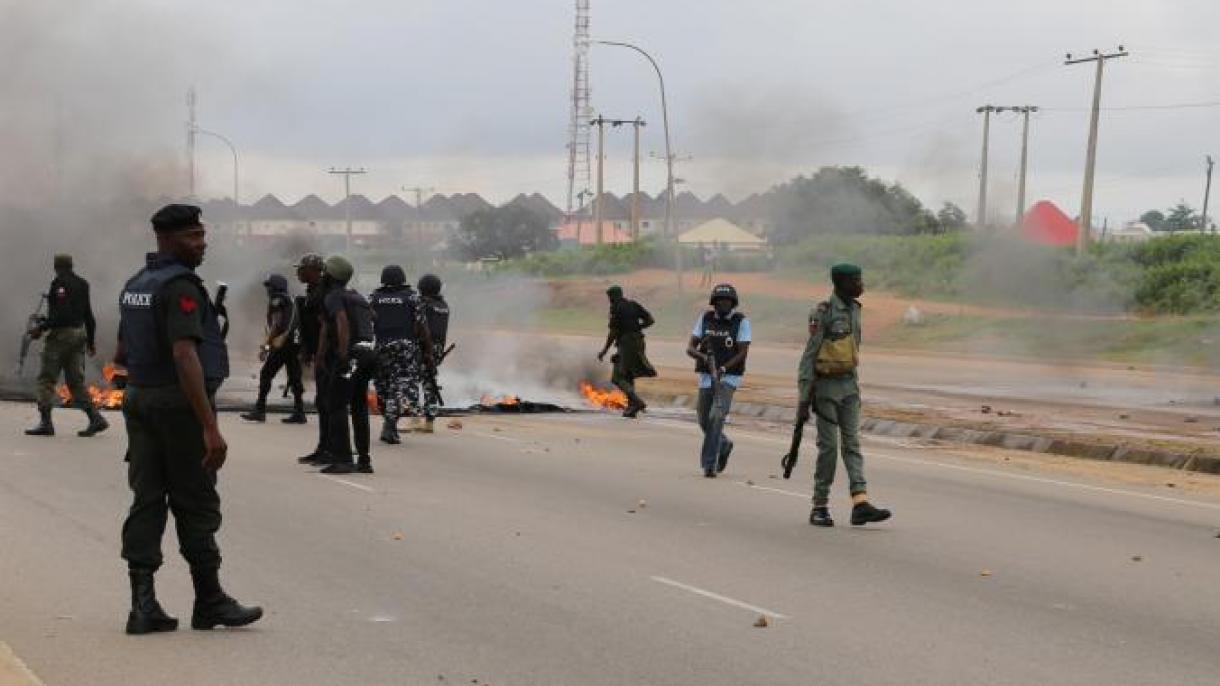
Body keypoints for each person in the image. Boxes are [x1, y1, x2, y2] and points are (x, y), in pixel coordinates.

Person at [116, 203, 261, 635]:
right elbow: (184, 354)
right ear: (168, 239)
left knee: (146, 499)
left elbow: (123, 353)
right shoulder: (180, 285)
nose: (202, 243)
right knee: (195, 500)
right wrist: (209, 427)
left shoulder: (136, 284)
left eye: (202, 235)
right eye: (193, 236)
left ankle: (143, 606)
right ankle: (210, 600)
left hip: (140, 399)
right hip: (177, 405)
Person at [796, 263, 891, 527]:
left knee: (852, 445)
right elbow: (809, 356)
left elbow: (851, 352)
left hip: (849, 388)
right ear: (841, 284)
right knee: (828, 449)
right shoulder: (823, 312)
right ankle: (819, 505)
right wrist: (804, 399)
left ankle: (860, 502)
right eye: (856, 281)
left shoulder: (855, 310)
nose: (862, 285)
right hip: (825, 390)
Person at [24, 254, 109, 437]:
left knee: (46, 379)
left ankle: (46, 423)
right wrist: (91, 341)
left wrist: (41, 327)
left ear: (56, 267)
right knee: (75, 382)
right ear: (71, 265)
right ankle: (95, 418)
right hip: (79, 335)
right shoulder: (82, 284)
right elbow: (88, 315)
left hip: (61, 336)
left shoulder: (59, 284)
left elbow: (61, 316)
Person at [315, 255, 376, 474]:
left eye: (324, 273)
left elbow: (341, 321)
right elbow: (372, 317)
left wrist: (341, 355)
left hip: (352, 354)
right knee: (359, 405)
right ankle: (364, 460)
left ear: (330, 276)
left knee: (336, 404)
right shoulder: (358, 296)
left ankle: (343, 459)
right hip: (369, 352)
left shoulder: (334, 296)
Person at [685, 284, 750, 478]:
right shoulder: (705, 318)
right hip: (706, 376)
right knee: (704, 419)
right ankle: (723, 444)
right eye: (720, 301)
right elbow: (690, 348)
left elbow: (743, 352)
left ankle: (709, 464)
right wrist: (703, 358)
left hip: (728, 377)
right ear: (714, 303)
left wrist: (723, 368)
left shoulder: (741, 321)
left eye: (727, 301)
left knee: (716, 417)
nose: (723, 304)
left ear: (733, 303)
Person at [369, 265, 433, 444]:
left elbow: (368, 321)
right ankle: (390, 423)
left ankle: (389, 422)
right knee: (403, 388)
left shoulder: (374, 297)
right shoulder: (413, 298)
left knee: (384, 387)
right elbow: (423, 327)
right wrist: (428, 353)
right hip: (405, 348)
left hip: (381, 347)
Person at [240, 273, 304, 423]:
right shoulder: (291, 300)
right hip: (295, 344)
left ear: (275, 287)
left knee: (266, 374)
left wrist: (266, 345)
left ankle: (260, 410)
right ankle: (299, 412)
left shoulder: (277, 300)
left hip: (283, 344)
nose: (267, 290)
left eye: (269, 286)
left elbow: (277, 324)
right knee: (295, 377)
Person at [596, 285, 656, 418]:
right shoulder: (633, 305)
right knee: (628, 374)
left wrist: (604, 350)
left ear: (614, 296)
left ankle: (637, 402)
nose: (609, 300)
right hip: (639, 341)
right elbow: (650, 320)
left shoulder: (616, 308)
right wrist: (638, 327)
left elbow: (613, 332)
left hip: (626, 344)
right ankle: (631, 407)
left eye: (610, 297)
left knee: (617, 377)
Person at [294, 253, 328, 464]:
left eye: (303, 268)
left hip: (326, 356)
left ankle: (331, 449)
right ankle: (324, 447)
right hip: (318, 354)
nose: (299, 272)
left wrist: (320, 355)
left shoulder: (322, 294)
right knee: (322, 402)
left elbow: (325, 327)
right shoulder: (312, 293)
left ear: (315, 271)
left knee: (327, 403)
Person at [417, 273, 450, 433]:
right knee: (430, 383)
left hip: (423, 347)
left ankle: (415, 418)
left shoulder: (423, 304)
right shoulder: (443, 305)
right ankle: (429, 421)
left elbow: (418, 325)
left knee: (410, 382)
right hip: (437, 349)